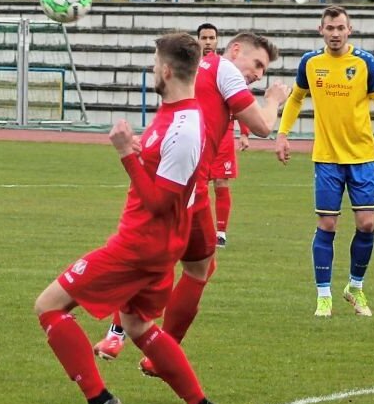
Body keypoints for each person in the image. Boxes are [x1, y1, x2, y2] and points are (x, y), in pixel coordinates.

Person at [34, 33, 225, 404]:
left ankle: (98, 399)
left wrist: (125, 153)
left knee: (48, 306)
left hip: (140, 245)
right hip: (157, 246)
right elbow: (165, 175)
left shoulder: (185, 126)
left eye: (155, 62)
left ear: (168, 70)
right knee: (139, 325)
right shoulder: (176, 113)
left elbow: (160, 201)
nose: (152, 69)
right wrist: (141, 150)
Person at [94, 33, 290, 362]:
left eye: (264, 70)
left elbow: (171, 114)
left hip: (167, 173)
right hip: (190, 186)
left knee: (163, 257)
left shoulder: (195, 72)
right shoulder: (224, 68)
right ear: (236, 49)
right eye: (257, 63)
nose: (258, 74)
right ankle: (160, 353)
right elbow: (262, 126)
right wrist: (273, 100)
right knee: (188, 267)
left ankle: (117, 335)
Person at [276, 5, 374, 318]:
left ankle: (354, 287)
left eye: (340, 28)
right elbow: (296, 98)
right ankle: (324, 295)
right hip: (327, 157)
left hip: (362, 156)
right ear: (321, 30)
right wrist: (282, 133)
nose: (334, 33)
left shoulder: (364, 62)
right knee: (327, 223)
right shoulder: (311, 63)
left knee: (367, 224)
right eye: (329, 28)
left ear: (349, 30)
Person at [197, 23, 250, 248]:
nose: (208, 42)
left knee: (221, 182)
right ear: (197, 40)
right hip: (197, 135)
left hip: (224, 135)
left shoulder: (225, 68)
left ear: (218, 41)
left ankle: (221, 232)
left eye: (211, 38)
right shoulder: (191, 67)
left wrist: (244, 133)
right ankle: (196, 230)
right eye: (204, 38)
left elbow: (238, 101)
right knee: (196, 185)